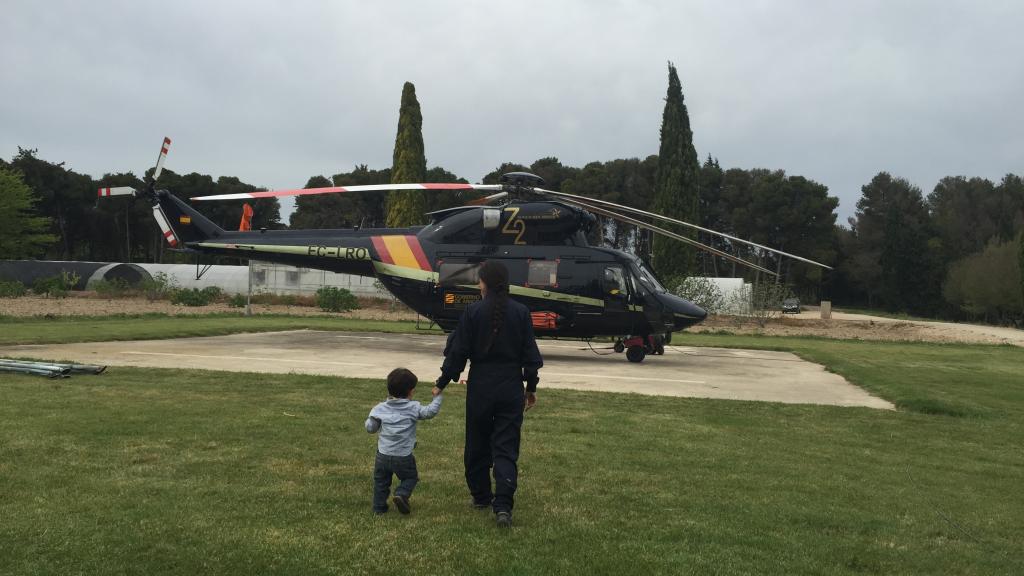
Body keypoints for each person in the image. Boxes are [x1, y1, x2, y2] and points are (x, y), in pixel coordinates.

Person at [434, 260, 543, 528]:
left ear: (483, 283)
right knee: (506, 447)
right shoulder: (521, 312)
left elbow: (458, 352)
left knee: (477, 442)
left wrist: (443, 381)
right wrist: (531, 388)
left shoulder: (473, 312)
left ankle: (481, 495)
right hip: (510, 387)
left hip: (481, 386)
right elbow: (530, 356)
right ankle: (503, 505)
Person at [365, 367, 442, 515]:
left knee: (381, 482)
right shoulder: (413, 407)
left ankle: (378, 508)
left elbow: (371, 428)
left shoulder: (379, 408)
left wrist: (371, 422)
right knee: (410, 477)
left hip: (382, 455)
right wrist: (437, 397)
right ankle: (401, 493)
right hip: (403, 456)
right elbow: (430, 412)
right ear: (410, 391)